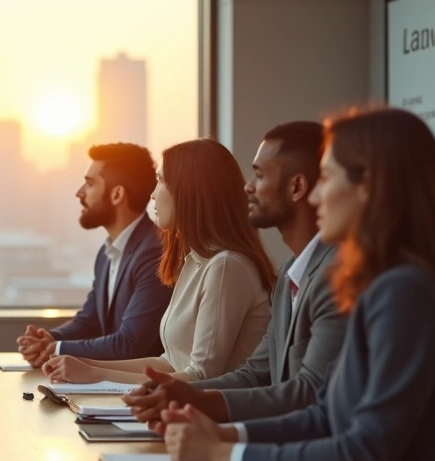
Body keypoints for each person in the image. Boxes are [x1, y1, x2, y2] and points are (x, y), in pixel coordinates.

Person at [162, 108, 435, 461]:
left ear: (370, 188)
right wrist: (225, 436)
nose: (316, 197)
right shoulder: (378, 284)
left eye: (329, 179)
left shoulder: (407, 292)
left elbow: (364, 452)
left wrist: (221, 455)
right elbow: (324, 415)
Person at [124, 122, 347, 424]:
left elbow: (308, 395)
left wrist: (225, 441)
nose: (248, 187)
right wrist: (180, 395)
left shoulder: (335, 278)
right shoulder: (288, 275)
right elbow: (256, 375)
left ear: (296, 187)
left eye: (259, 174)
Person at [43, 138, 276, 383]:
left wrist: (96, 374)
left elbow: (202, 376)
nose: (152, 195)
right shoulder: (193, 262)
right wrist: (86, 365)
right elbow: (169, 362)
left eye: (160, 181)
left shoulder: (226, 266)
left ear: (188, 190)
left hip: (210, 416)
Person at [17, 143, 170, 366]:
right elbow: (90, 321)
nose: (79, 193)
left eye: (89, 184)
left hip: (142, 391)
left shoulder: (154, 252)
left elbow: (130, 343)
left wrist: (55, 349)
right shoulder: (107, 253)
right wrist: (50, 339)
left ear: (117, 194)